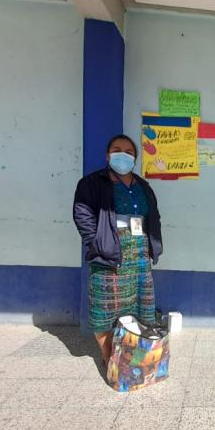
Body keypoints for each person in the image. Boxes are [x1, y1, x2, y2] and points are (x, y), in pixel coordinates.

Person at [73, 134, 163, 366]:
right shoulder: (91, 183)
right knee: (104, 311)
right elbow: (82, 214)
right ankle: (109, 357)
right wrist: (96, 242)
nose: (123, 155)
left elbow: (154, 215)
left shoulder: (143, 186)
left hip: (140, 253)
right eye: (117, 149)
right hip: (108, 253)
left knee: (141, 307)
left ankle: (134, 358)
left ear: (135, 158)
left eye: (129, 152)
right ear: (108, 155)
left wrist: (153, 245)